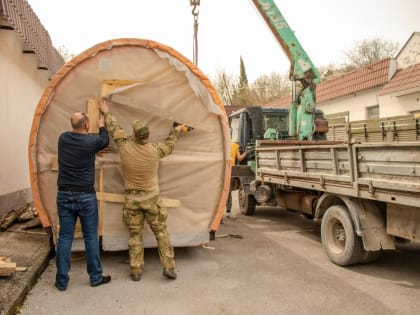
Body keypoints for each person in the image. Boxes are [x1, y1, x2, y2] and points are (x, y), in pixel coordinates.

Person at [99, 99, 185, 281]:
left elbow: (113, 127)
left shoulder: (125, 146)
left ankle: (136, 270)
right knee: (161, 233)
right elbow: (170, 144)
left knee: (135, 235)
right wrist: (177, 129)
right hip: (152, 199)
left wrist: (106, 111)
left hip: (132, 201)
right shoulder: (155, 150)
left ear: (135, 134)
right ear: (147, 135)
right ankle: (168, 266)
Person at [55, 111, 111, 291]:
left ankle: (61, 282)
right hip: (86, 196)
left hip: (63, 195)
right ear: (87, 125)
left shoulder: (63, 138)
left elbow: (89, 146)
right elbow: (104, 140)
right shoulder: (91, 142)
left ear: (72, 124)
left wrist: (94, 150)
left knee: (65, 237)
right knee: (91, 237)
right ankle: (95, 277)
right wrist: (102, 123)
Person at [226, 140, 248, 216]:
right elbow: (239, 158)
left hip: (222, 169)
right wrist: (246, 152)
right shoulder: (235, 145)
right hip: (230, 170)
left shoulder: (221, 143)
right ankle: (228, 212)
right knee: (228, 191)